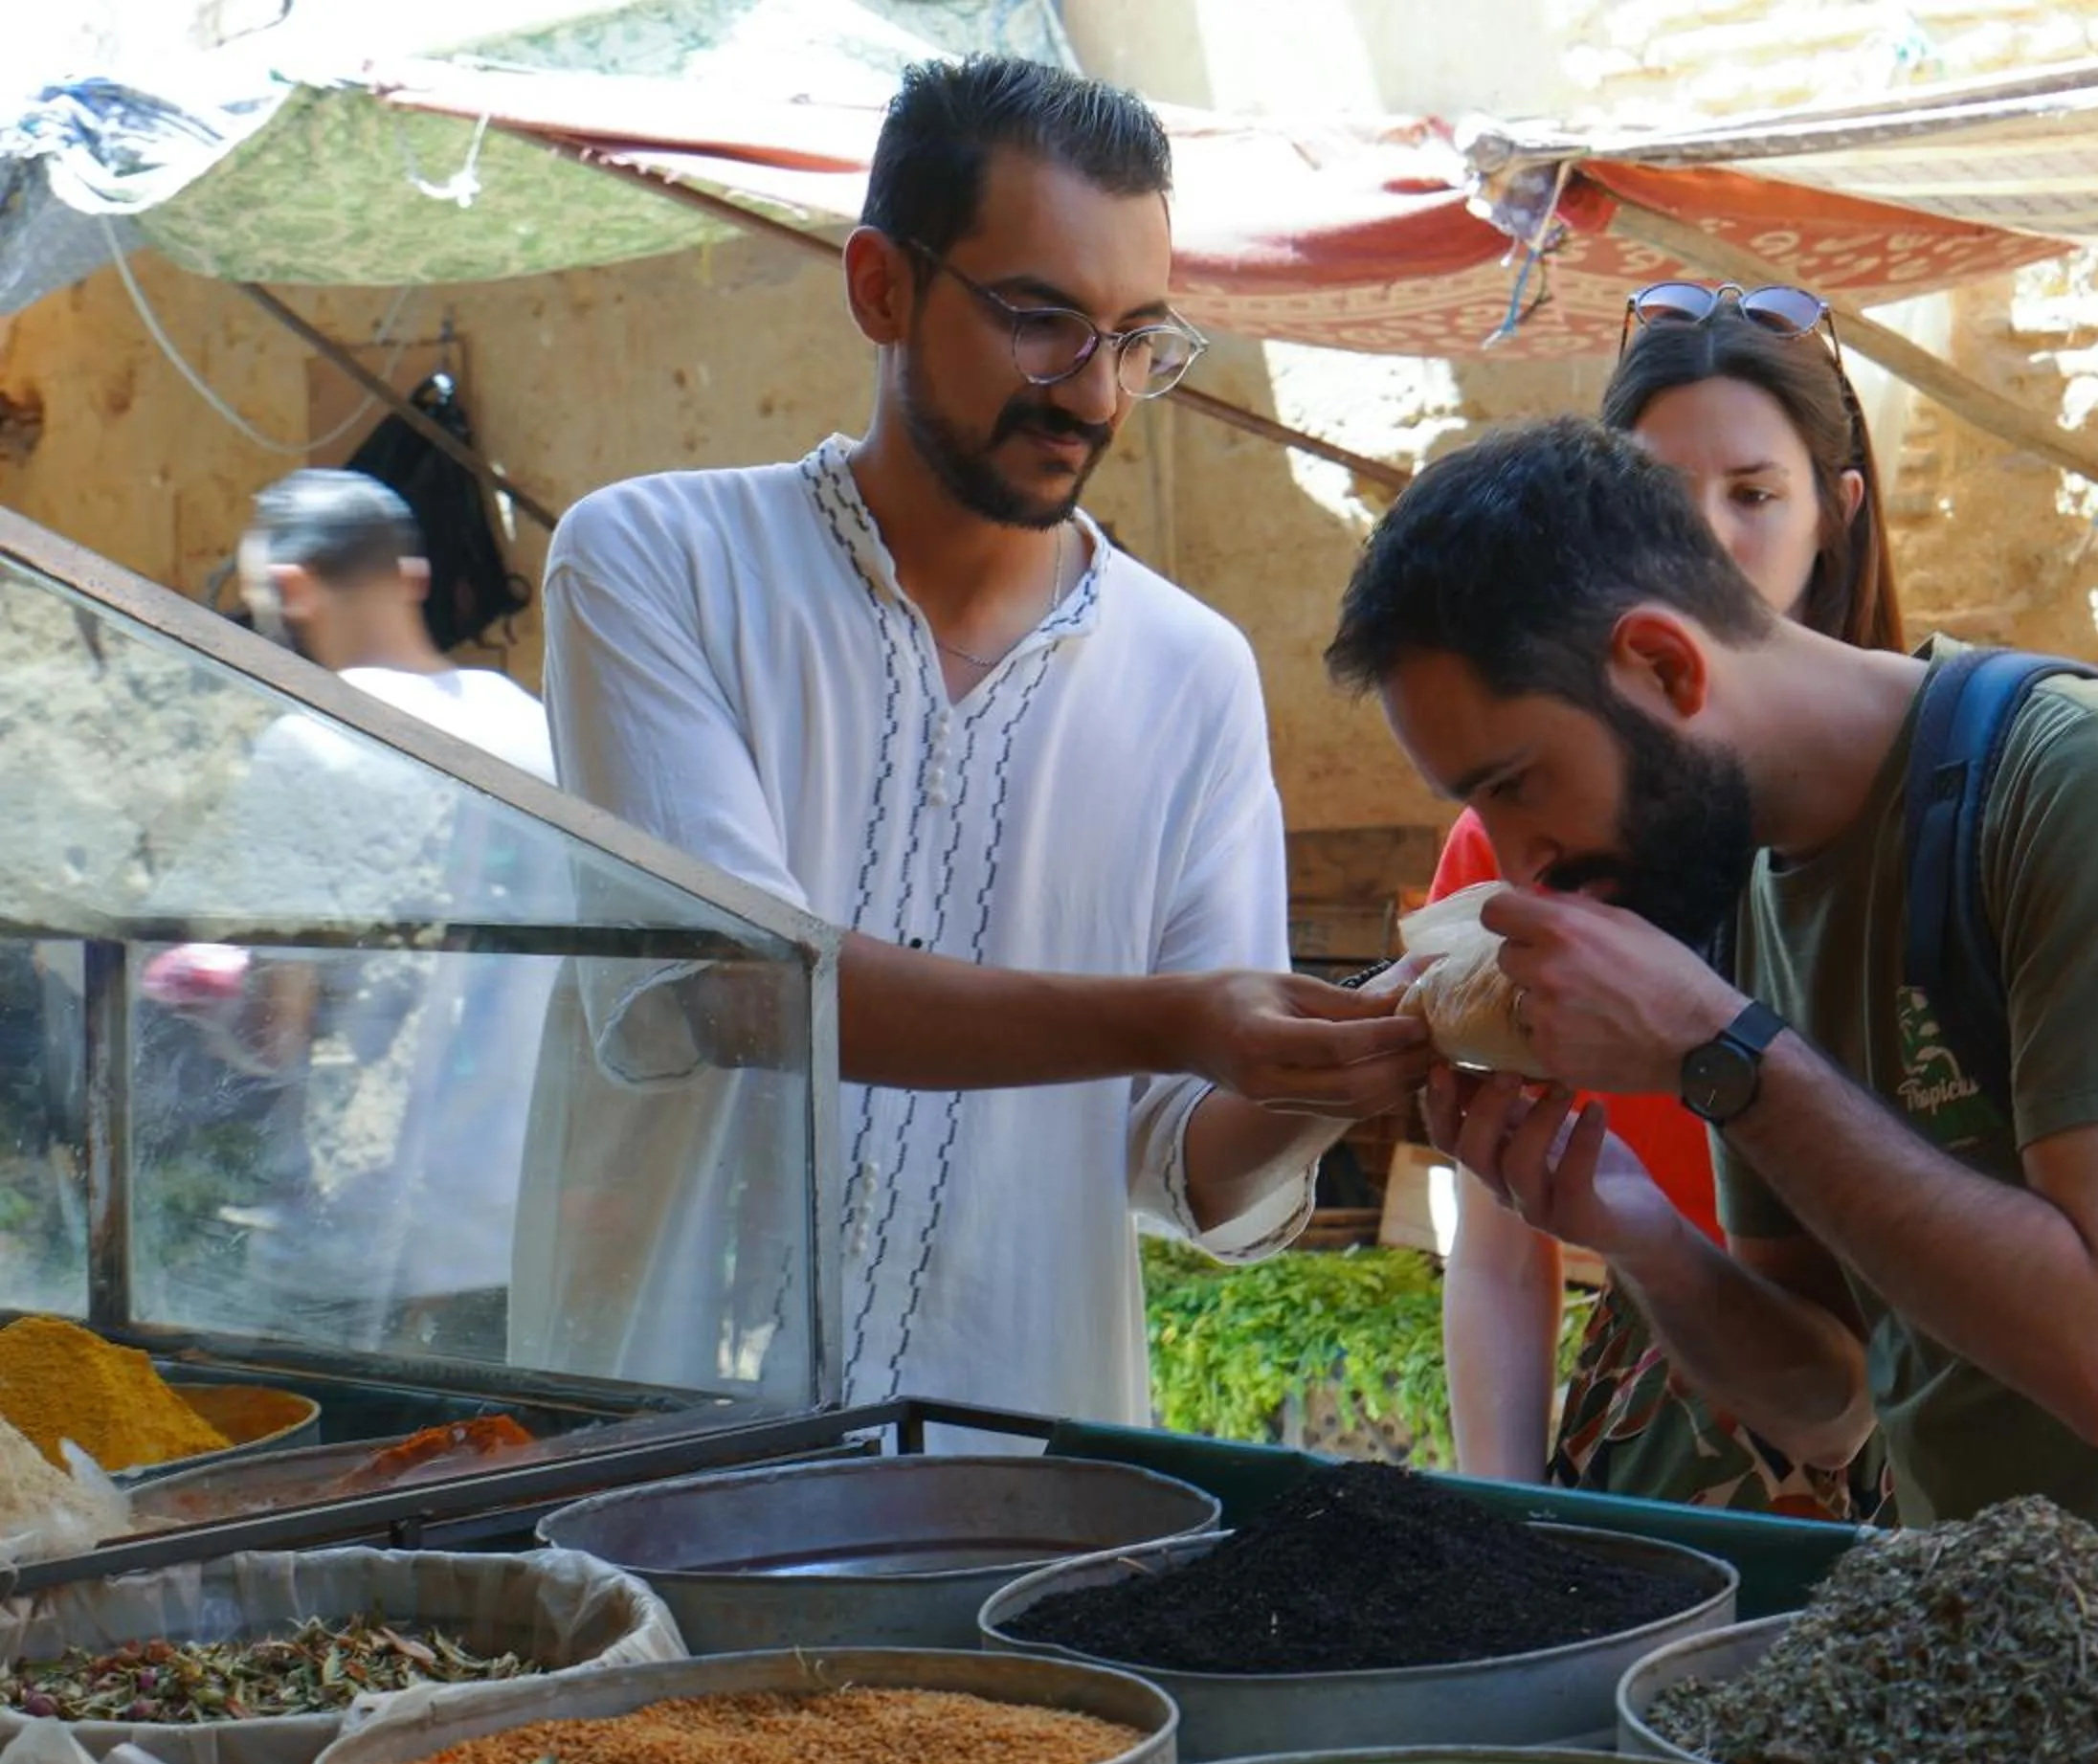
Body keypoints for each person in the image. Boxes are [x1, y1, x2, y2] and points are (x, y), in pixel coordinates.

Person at [1329, 416, 2098, 1604]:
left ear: (1667, 667)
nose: (1518, 866)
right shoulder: (1749, 885)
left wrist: (1719, 1050)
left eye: (1516, 786)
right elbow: (1829, 1408)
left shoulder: (2097, 786)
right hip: (2011, 1654)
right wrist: (1634, 1228)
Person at [524, 56, 1426, 1425]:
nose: (1096, 395)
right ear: (881, 284)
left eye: (1137, 340)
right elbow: (741, 986)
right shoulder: (654, 564)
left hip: (1023, 1495)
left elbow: (1182, 1162)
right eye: (1041, 320)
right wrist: (1180, 1017)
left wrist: (1355, 1057)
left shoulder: (1190, 675)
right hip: (671, 1464)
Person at [1437, 285, 1897, 1520]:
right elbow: (1497, 1237)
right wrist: (1505, 1518)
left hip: (1944, 1408)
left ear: (1834, 516)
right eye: (1655, 499)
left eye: (1754, 494)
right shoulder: (1513, 841)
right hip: (1670, 1407)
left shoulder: (1937, 812)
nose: (1704, 546)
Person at [147, 469, 558, 1356]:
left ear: (289, 590)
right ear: (410, 577)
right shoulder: (526, 722)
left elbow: (277, 1027)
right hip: (528, 1216)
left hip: (378, 1246)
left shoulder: (312, 744)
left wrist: (201, 989)